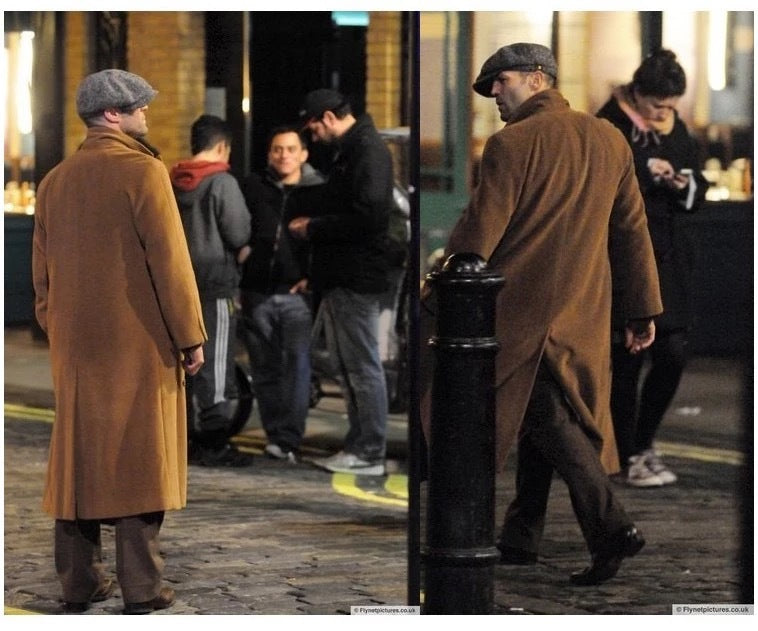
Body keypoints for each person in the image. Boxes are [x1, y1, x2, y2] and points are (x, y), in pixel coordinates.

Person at [421, 43, 663, 585]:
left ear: (535, 79)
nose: (494, 97)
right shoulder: (610, 139)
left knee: (547, 420)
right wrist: (641, 307)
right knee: (547, 418)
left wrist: (437, 290)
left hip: (521, 311)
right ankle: (520, 534)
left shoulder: (512, 144)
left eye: (500, 83)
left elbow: (478, 236)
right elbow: (630, 230)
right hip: (584, 308)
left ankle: (611, 528)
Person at [32, 69, 207, 614]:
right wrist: (191, 336)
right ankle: (142, 588)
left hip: (76, 345)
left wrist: (57, 325)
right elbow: (170, 264)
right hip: (140, 341)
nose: (146, 116)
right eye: (139, 108)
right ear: (114, 114)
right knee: (138, 458)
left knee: (79, 459)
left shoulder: (55, 180)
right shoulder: (142, 172)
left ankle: (79, 583)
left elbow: (40, 276)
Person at [597, 49, 707, 487]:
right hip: (629, 257)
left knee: (673, 354)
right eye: (658, 105)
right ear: (637, 95)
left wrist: (683, 184)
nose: (665, 114)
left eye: (671, 106)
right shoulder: (610, 124)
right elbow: (603, 188)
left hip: (673, 260)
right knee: (626, 361)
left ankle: (641, 444)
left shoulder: (675, 127)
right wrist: (645, 172)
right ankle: (626, 455)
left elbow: (697, 183)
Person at [289, 89, 393, 476]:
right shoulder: (356, 149)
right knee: (350, 365)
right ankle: (361, 446)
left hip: (355, 275)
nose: (312, 136)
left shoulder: (366, 151)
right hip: (344, 274)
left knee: (360, 365)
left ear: (329, 118)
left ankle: (368, 449)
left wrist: (313, 227)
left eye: (313, 127)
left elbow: (369, 217)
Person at [170, 114, 253, 467]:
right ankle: (215, 440)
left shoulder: (171, 181)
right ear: (222, 147)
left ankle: (184, 437)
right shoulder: (222, 183)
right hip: (215, 284)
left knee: (183, 364)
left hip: (176, 285)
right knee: (215, 361)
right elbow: (238, 233)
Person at [239, 125, 325, 463]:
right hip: (257, 290)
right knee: (264, 368)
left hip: (297, 296)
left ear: (303, 154)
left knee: (297, 367)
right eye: (277, 149)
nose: (283, 155)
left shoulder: (318, 191)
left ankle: (289, 438)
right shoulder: (254, 186)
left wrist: (312, 277)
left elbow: (327, 240)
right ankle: (275, 435)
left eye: (291, 149)